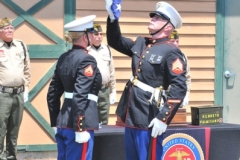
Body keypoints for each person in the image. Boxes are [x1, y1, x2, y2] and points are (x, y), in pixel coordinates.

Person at [105, 1, 187, 160]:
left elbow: (179, 88)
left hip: (150, 116)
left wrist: (163, 119)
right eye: (153, 17)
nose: (152, 19)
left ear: (168, 27)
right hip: (132, 114)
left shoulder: (172, 53)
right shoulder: (142, 43)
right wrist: (112, 19)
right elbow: (115, 41)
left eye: (158, 18)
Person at [47, 15, 102, 160]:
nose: (93, 36)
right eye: (91, 33)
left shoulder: (64, 57)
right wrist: (80, 127)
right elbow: (80, 94)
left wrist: (55, 122)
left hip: (63, 123)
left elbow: (52, 93)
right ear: (85, 37)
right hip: (79, 123)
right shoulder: (87, 59)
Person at [0, 17, 31, 160]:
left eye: (11, 28)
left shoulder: (21, 45)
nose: (10, 30)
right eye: (6, 28)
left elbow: (27, 69)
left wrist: (26, 88)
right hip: (2, 95)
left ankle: (12, 157)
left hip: (18, 94)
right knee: (0, 129)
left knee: (14, 130)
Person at [88, 23, 116, 125]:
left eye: (101, 34)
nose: (99, 37)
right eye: (96, 34)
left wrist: (113, 90)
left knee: (104, 121)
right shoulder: (86, 50)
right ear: (90, 35)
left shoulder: (107, 49)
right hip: (90, 90)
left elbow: (111, 71)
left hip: (104, 90)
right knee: (90, 120)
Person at [168, 30, 191, 107]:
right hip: (162, 97)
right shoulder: (161, 55)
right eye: (172, 41)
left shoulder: (183, 57)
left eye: (177, 41)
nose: (175, 44)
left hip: (178, 97)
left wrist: (187, 95)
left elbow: (187, 77)